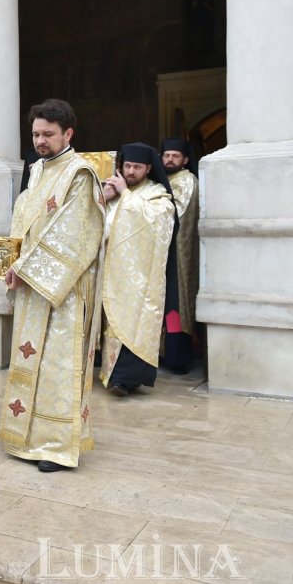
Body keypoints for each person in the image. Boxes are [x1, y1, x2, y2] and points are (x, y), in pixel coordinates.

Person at [0, 100, 104, 472]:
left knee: (57, 365)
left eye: (48, 134)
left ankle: (55, 445)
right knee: (32, 359)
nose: (40, 141)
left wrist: (26, 267)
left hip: (63, 291)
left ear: (68, 134)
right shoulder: (37, 170)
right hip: (30, 284)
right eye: (35, 134)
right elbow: (24, 221)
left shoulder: (80, 173)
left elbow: (74, 235)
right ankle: (26, 436)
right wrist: (13, 260)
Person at [99, 143, 179, 396]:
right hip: (110, 273)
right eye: (127, 166)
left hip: (139, 278)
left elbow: (160, 224)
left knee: (134, 324)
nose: (131, 171)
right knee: (110, 326)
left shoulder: (157, 195)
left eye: (137, 167)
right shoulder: (112, 190)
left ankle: (127, 379)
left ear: (148, 169)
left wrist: (125, 195)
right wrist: (105, 199)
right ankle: (111, 374)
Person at [159, 137, 199, 374]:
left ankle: (176, 357)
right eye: (166, 155)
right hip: (163, 250)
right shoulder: (165, 180)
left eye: (175, 156)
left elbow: (176, 211)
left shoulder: (186, 179)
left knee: (175, 300)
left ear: (184, 160)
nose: (170, 159)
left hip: (178, 252)